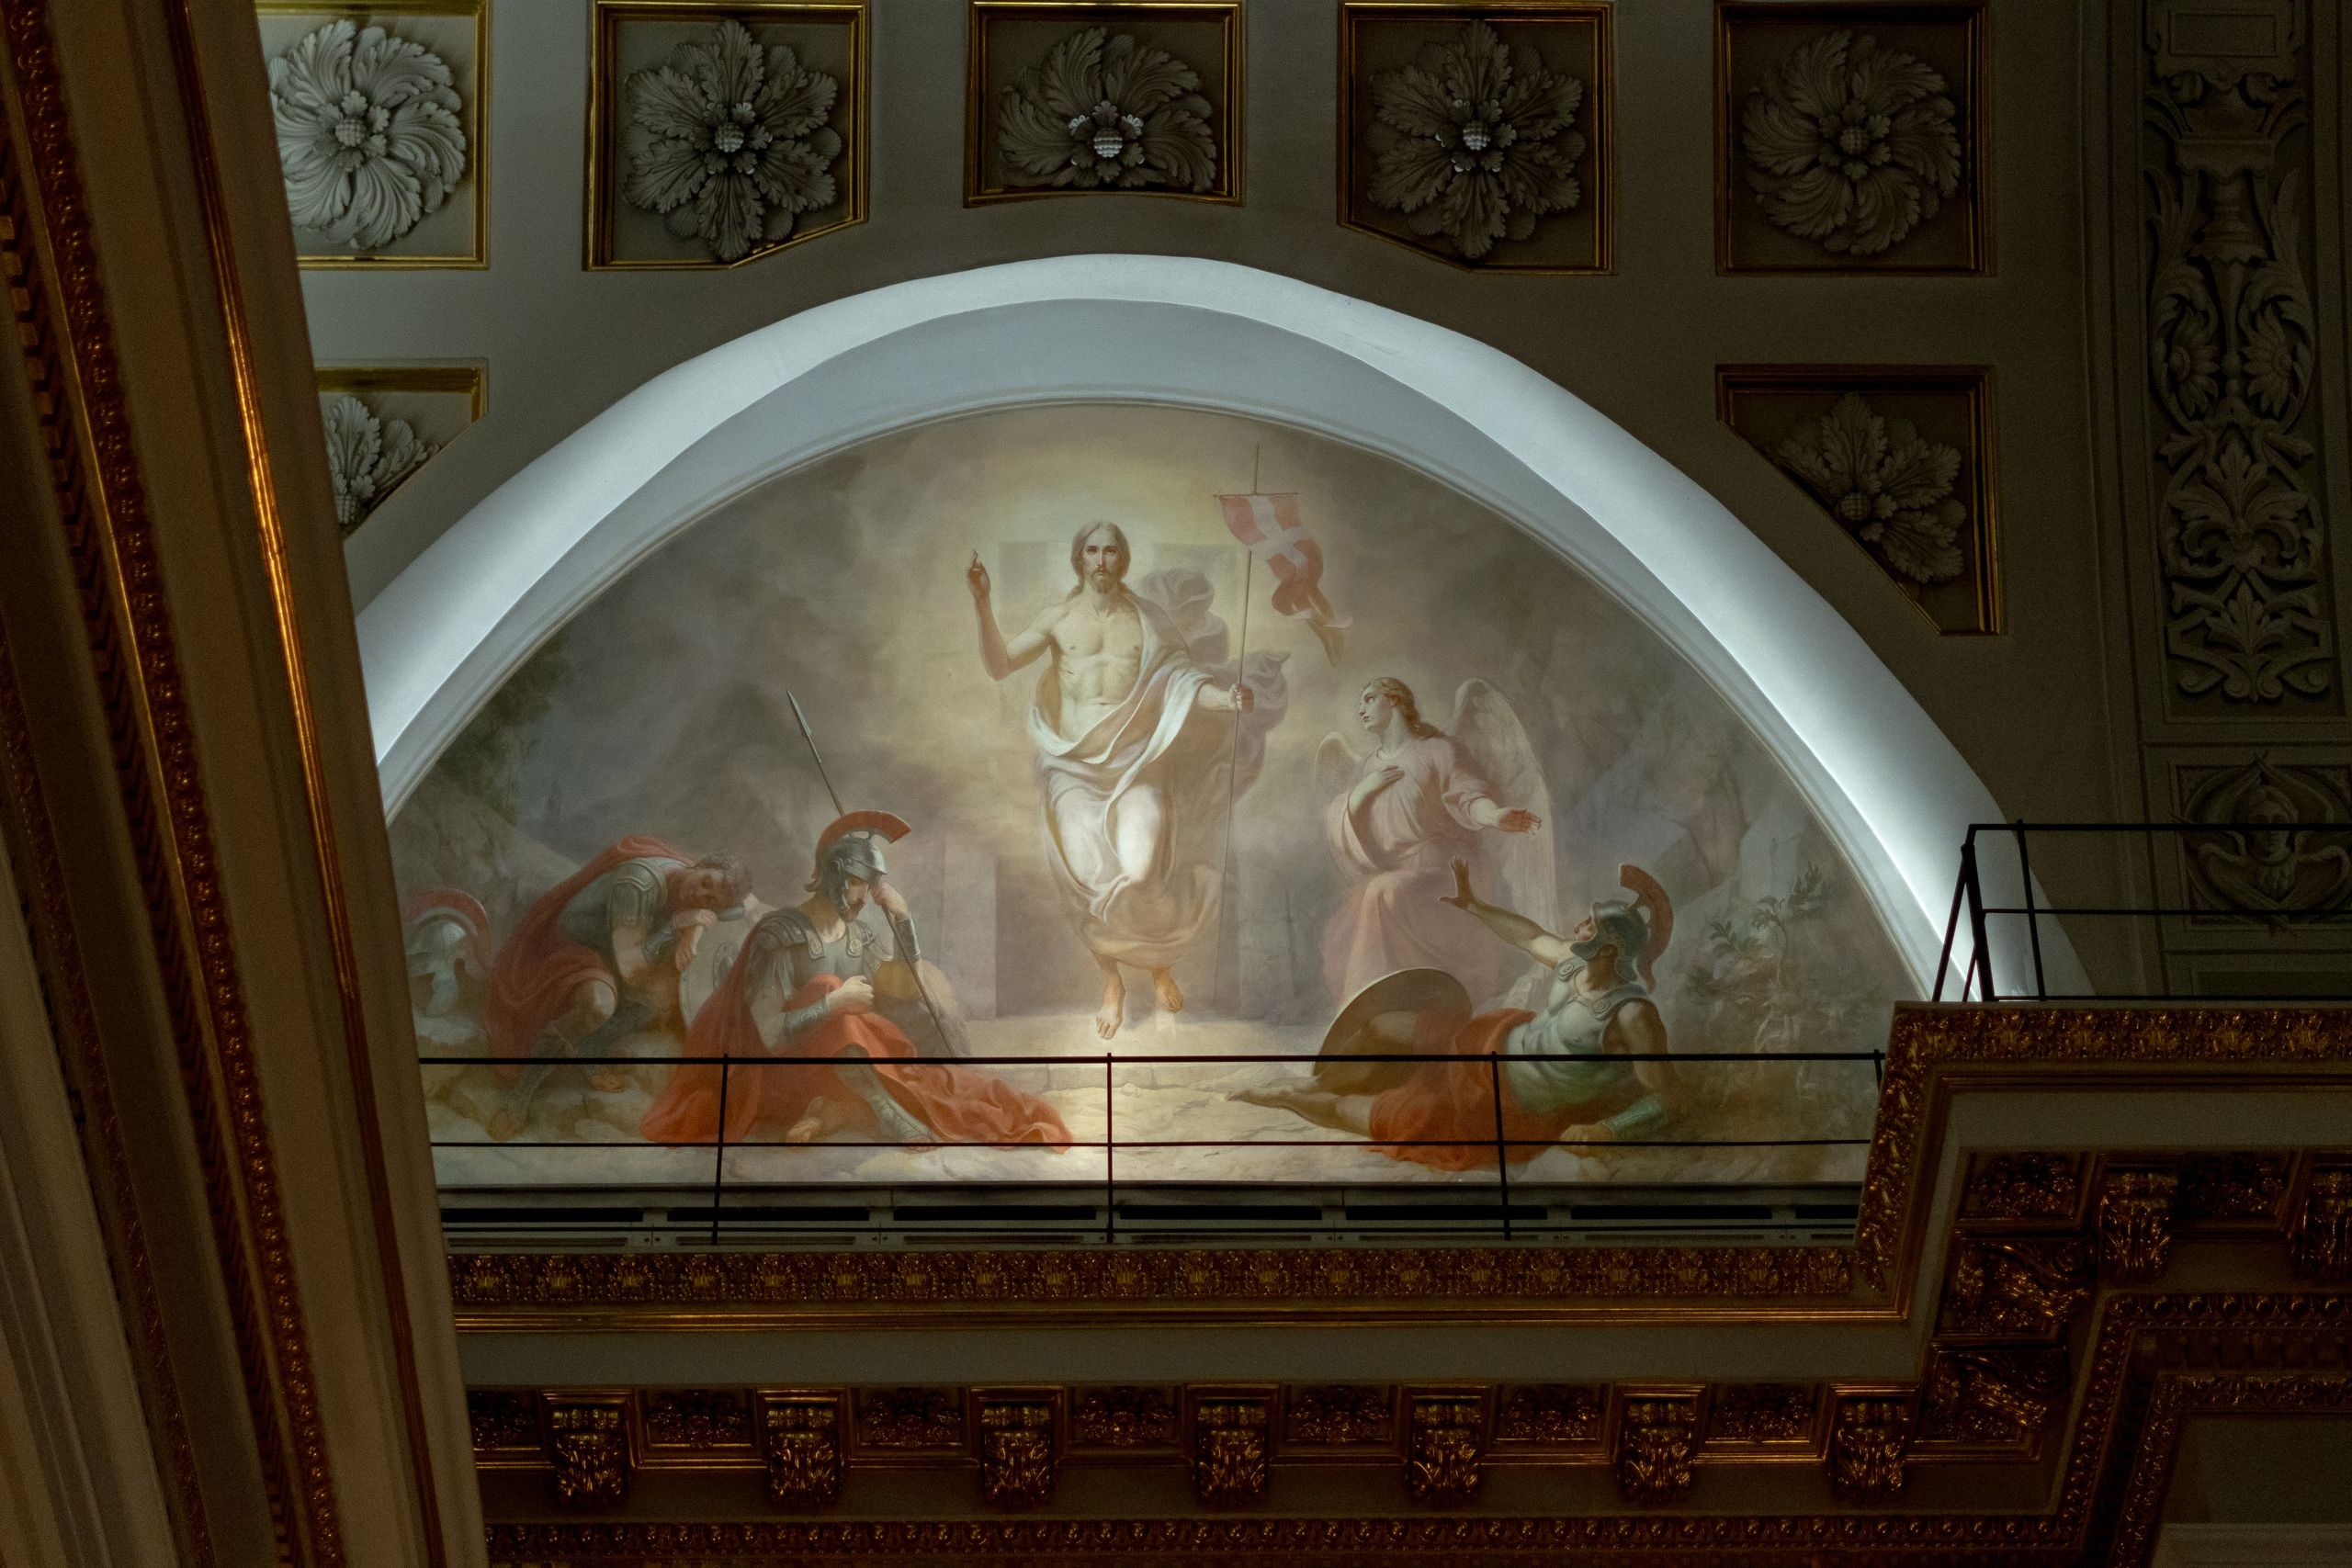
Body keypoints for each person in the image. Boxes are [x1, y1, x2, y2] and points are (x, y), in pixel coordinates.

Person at [968, 522, 1274, 1037]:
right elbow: (999, 666)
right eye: (1092, 550)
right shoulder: (1057, 618)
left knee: (1141, 871)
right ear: (1079, 558)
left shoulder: (1150, 621)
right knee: (1091, 879)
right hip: (1073, 770)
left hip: (1137, 764)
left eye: (1110, 551)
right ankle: (1112, 980)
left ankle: (1158, 964)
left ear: (1122, 559)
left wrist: (1227, 699)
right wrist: (982, 603)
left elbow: (1183, 682)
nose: (1101, 560)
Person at [640, 817, 1071, 1151]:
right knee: (828, 986)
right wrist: (833, 1004)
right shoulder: (780, 933)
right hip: (772, 1077)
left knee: (948, 1090)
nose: (866, 897)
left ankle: (835, 1109)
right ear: (835, 875)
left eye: (870, 887)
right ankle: (883, 1109)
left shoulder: (858, 936)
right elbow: (769, 1035)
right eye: (860, 884)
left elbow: (906, 987)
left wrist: (903, 922)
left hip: (834, 1072)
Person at [1235, 863, 1676, 1170]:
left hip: (1496, 1103)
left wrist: (1608, 1130)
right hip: (1486, 1042)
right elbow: (1528, 935)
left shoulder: (1632, 1015)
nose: (1577, 929)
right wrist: (1475, 907)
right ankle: (1320, 1081)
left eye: (1589, 927)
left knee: (1352, 1112)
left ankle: (1288, 1098)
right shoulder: (1571, 963)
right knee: (1379, 1024)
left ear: (1610, 949)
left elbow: (1669, 1097)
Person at [482, 837, 750, 1142]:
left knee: (663, 993)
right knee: (599, 1005)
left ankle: (589, 1049)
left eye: (711, 900)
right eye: (706, 883)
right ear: (700, 865)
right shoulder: (639, 883)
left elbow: (744, 906)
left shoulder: (691, 875)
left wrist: (695, 929)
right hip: (569, 948)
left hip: (616, 948)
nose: (701, 895)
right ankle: (520, 1095)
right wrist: (676, 925)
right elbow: (632, 971)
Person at [1322, 677, 1544, 1008]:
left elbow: (1468, 796)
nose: (1361, 709)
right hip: (1398, 876)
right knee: (1365, 899)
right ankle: (1384, 1010)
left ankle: (1373, 1005)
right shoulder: (1367, 768)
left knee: (1381, 892)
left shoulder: (1438, 751)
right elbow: (1347, 833)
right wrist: (1360, 793)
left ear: (1394, 701)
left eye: (1369, 699)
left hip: (1449, 874)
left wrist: (1495, 816)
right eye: (1360, 702)